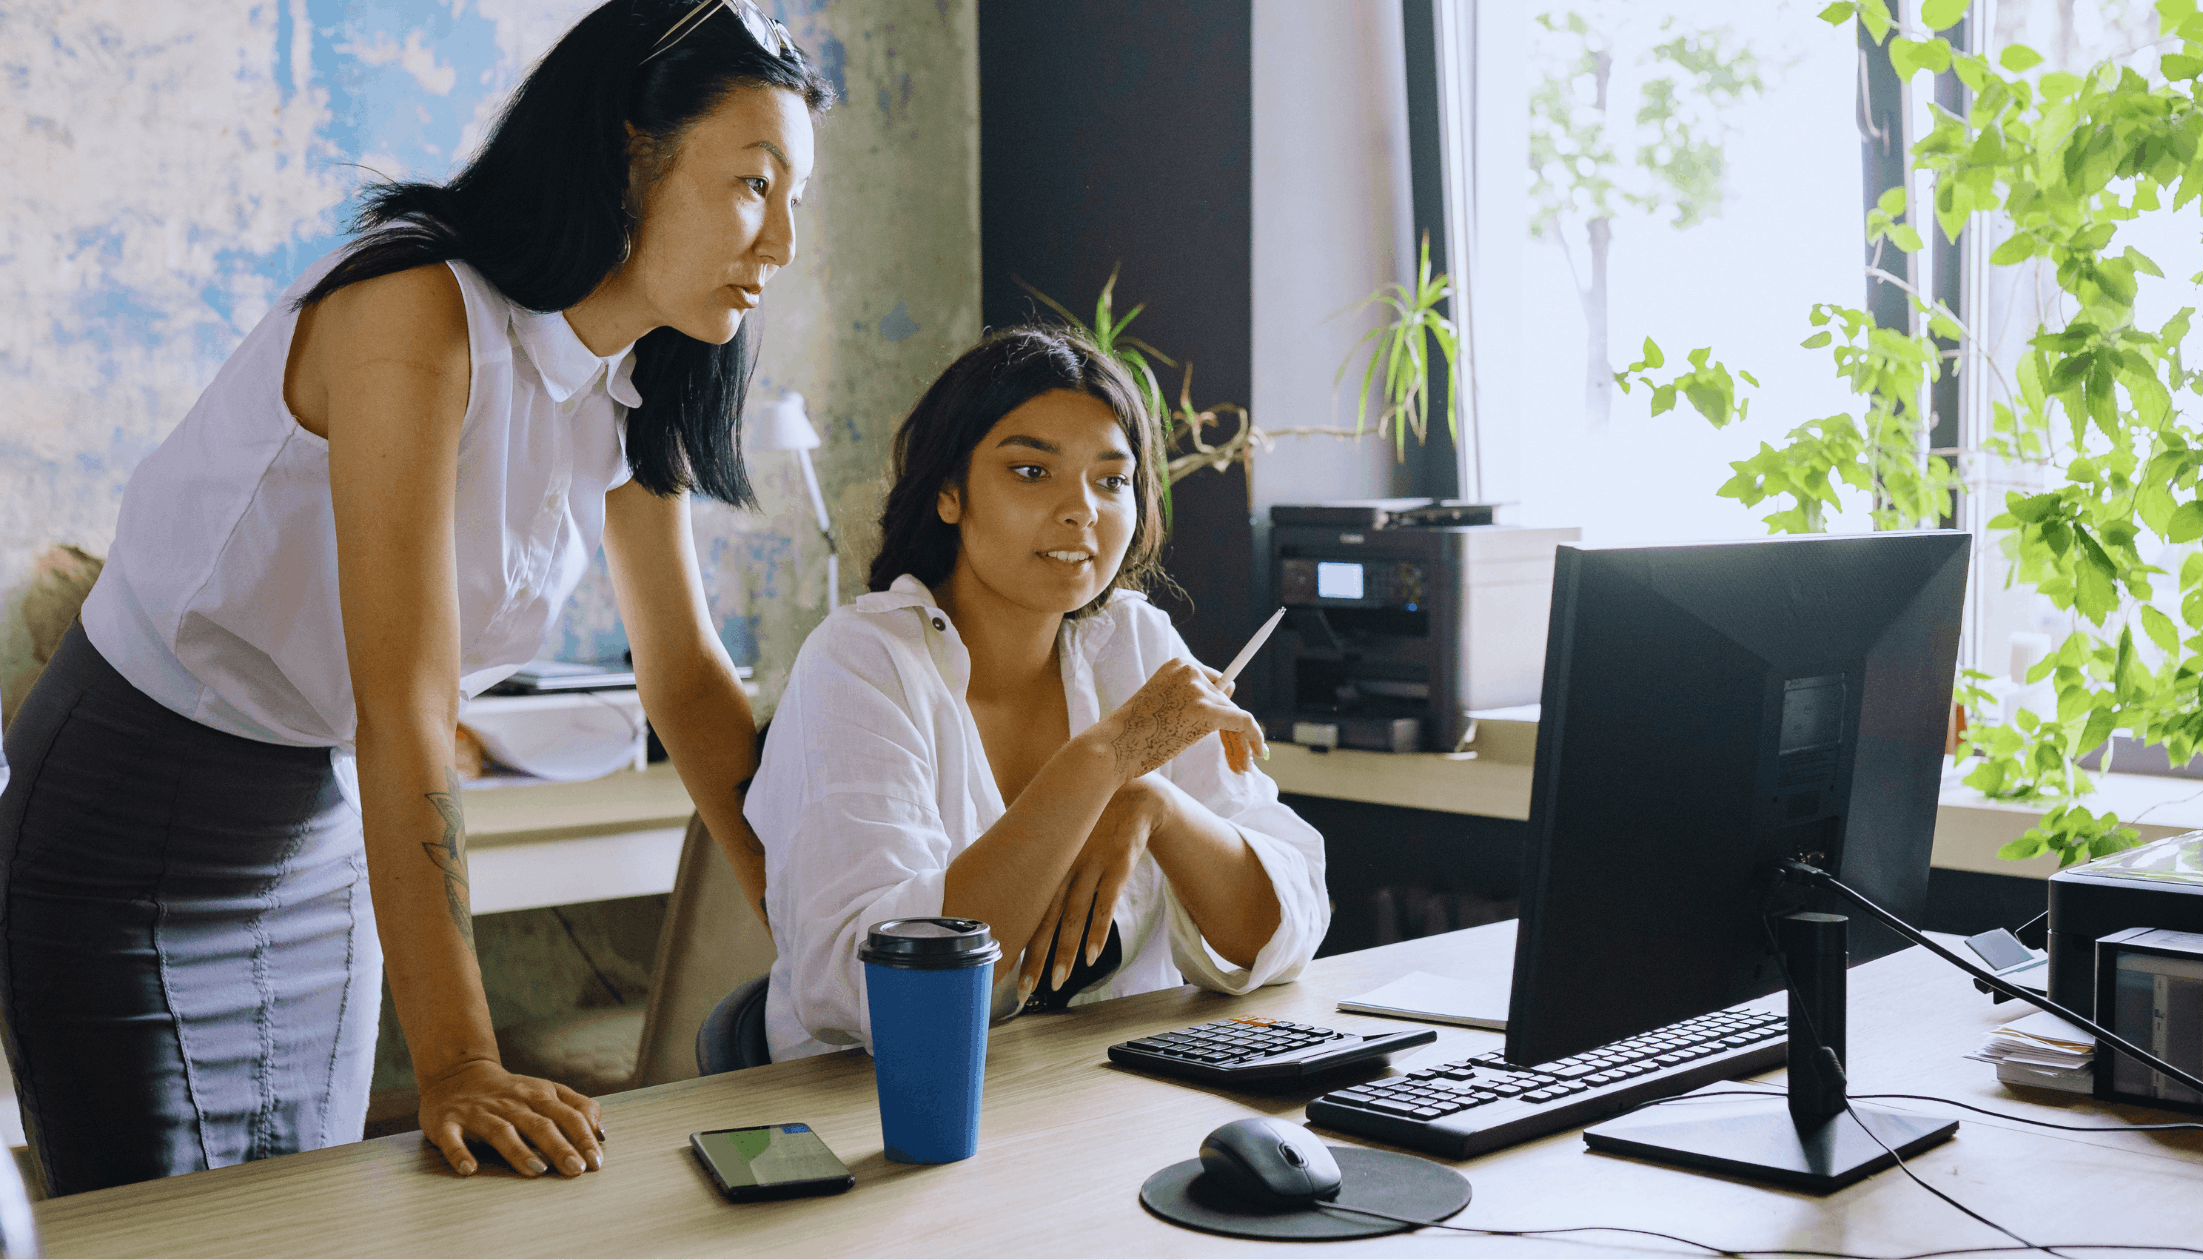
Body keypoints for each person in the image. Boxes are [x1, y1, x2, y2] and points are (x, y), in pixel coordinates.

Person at [0, 0, 829, 1194]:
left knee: (321, 1215)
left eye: (793, 196)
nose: (784, 241)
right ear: (626, 152)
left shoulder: (641, 366)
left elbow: (687, 679)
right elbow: (406, 702)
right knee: (162, 1228)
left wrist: (819, 947)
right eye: (755, 185)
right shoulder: (416, 311)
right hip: (134, 816)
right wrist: (459, 1060)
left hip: (317, 817)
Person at [748, 327, 1330, 1062]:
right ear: (948, 493)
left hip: (1094, 1105)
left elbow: (1285, 931)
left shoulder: (1135, 643)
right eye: (1031, 471)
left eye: (1112, 480)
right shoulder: (862, 662)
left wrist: (1156, 804)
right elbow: (878, 990)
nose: (1082, 509)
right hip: (885, 1110)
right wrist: (1105, 760)